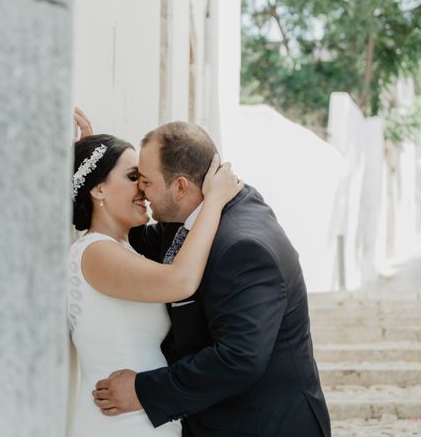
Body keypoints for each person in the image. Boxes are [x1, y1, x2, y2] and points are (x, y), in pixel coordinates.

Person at [76, 111, 332, 437]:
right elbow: (120, 240)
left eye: (146, 181)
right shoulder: (191, 218)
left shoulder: (244, 247)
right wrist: (90, 169)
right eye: (134, 178)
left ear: (180, 187)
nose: (142, 190)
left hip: (260, 426)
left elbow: (238, 359)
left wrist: (144, 390)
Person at [67, 129, 242, 437]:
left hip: (144, 415)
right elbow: (181, 281)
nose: (144, 188)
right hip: (118, 422)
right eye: (134, 177)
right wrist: (213, 201)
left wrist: (90, 150)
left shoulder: (123, 249)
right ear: (98, 190)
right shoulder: (95, 252)